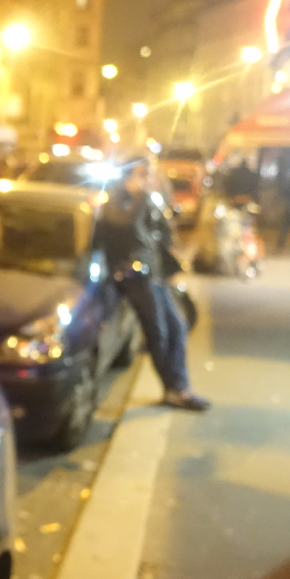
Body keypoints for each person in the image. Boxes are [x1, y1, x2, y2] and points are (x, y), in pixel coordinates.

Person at [96, 155, 211, 411]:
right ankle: (174, 389)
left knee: (177, 326)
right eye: (142, 174)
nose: (147, 180)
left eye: (149, 174)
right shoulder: (115, 199)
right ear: (126, 176)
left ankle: (179, 387)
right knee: (157, 331)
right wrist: (139, 196)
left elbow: (160, 231)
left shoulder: (147, 198)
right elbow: (125, 225)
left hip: (155, 272)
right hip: (134, 274)